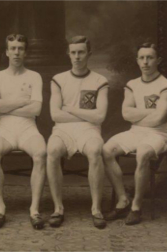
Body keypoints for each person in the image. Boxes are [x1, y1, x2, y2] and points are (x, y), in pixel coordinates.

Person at [103, 42, 167, 225]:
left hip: (159, 135)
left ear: (157, 60)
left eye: (150, 57)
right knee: (107, 149)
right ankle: (122, 199)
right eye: (142, 58)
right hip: (135, 131)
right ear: (137, 60)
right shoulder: (132, 85)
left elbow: (160, 120)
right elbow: (126, 114)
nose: (145, 62)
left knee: (143, 151)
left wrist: (138, 115)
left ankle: (136, 207)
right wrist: (150, 114)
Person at [47, 35, 109, 229]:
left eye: (81, 52)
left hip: (89, 130)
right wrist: (86, 114)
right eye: (73, 52)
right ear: (68, 54)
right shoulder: (58, 80)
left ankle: (96, 208)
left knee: (95, 150)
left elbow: (99, 117)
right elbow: (55, 115)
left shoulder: (100, 80)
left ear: (88, 54)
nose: (77, 56)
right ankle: (58, 208)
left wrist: (70, 109)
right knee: (52, 150)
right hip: (63, 129)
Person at [0, 34, 46, 229]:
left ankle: (34, 210)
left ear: (26, 52)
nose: (16, 52)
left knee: (40, 153)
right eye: (12, 48)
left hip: (28, 127)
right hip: (4, 127)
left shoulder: (34, 76)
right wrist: (22, 101)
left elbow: (36, 109)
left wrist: (5, 105)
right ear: (6, 52)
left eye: (20, 48)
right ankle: (0, 208)